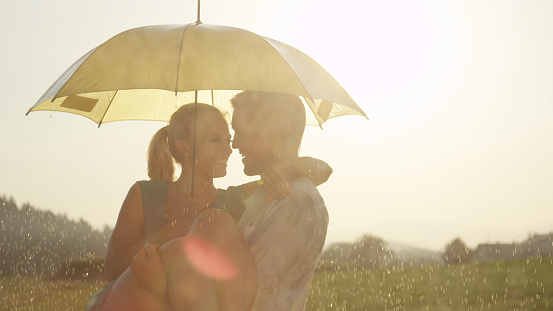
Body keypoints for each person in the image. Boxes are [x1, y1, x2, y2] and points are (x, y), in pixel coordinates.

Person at [86, 102, 332, 311]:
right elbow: (112, 269)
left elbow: (323, 170)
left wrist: (288, 167)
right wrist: (168, 233)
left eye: (229, 139)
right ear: (185, 148)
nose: (229, 149)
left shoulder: (235, 200)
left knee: (214, 220)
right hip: (125, 301)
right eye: (216, 140)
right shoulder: (145, 194)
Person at [230, 91, 329, 311]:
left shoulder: (297, 201)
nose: (234, 144)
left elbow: (250, 292)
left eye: (238, 131)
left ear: (270, 133)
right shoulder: (265, 193)